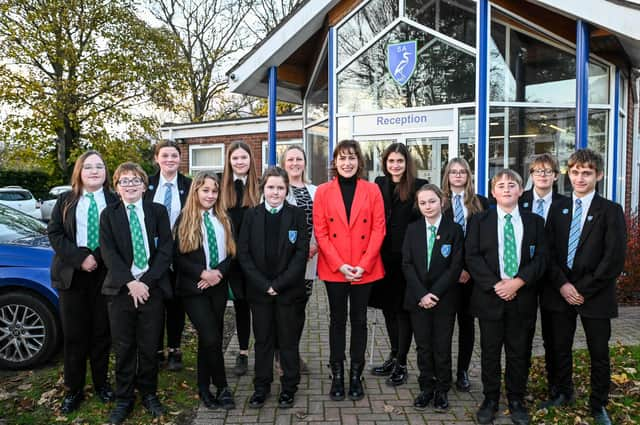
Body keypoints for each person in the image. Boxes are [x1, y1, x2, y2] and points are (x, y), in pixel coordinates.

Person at [541, 149, 626, 425]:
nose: (580, 177)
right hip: (560, 292)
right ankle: (563, 392)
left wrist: (583, 289)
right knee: (558, 347)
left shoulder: (611, 211)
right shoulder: (558, 207)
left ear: (598, 175)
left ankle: (598, 403)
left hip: (596, 295)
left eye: (586, 172)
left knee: (598, 352)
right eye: (575, 172)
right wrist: (564, 285)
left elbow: (613, 259)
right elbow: (548, 252)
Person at [465, 169, 547, 425]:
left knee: (518, 352)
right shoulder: (479, 221)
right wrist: (497, 285)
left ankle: (516, 399)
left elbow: (542, 258)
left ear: (521, 190)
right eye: (500, 185)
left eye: (512, 185)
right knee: (489, 352)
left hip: (522, 298)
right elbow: (472, 256)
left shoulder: (535, 222)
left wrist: (518, 282)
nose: (506, 189)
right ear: (493, 192)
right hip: (490, 297)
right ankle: (490, 398)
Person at [100, 162, 173, 424]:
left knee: (150, 345)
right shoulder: (109, 215)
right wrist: (131, 283)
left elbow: (166, 249)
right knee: (123, 346)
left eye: (135, 180)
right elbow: (109, 253)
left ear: (144, 185)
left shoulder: (157, 211)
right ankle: (124, 398)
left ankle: (149, 393)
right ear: (116, 187)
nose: (130, 185)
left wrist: (147, 281)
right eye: (124, 181)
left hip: (152, 288)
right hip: (121, 290)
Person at [313, 139, 386, 401]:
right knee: (336, 322)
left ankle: (356, 375)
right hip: (336, 269)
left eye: (352, 157)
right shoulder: (322, 192)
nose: (347, 163)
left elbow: (379, 229)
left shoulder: (372, 190)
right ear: (335, 163)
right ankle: (338, 375)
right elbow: (321, 232)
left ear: (359, 162)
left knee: (359, 322)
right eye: (342, 158)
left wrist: (363, 265)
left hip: (364, 268)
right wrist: (340, 265)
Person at [48, 150, 117, 413]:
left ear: (105, 172)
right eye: (88, 167)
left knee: (102, 333)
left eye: (99, 166)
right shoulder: (66, 200)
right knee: (75, 335)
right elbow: (54, 232)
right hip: (73, 275)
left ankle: (101, 384)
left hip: (104, 274)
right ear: (79, 171)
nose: (94, 171)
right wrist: (80, 258)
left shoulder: (114, 200)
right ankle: (73, 390)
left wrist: (97, 257)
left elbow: (119, 236)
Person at [237, 167, 309, 409]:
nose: (275, 192)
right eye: (271, 187)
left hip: (288, 291)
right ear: (263, 189)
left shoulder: (297, 215)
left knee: (288, 341)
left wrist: (278, 284)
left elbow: (301, 254)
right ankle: (262, 386)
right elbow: (244, 254)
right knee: (263, 340)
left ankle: (289, 387)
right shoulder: (251, 215)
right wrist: (264, 285)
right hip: (259, 292)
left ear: (286, 189)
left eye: (280, 187)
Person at [173, 172, 235, 410]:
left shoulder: (224, 218)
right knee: (209, 336)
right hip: (193, 289)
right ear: (195, 191)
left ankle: (203, 386)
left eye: (214, 191)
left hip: (217, 286)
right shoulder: (184, 220)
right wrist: (202, 273)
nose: (210, 195)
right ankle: (222, 386)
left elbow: (231, 253)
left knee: (211, 340)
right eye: (205, 190)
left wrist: (217, 274)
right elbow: (177, 258)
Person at [369, 143, 427, 386]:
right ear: (385, 163)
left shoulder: (419, 186)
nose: (395, 165)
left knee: (403, 312)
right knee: (388, 311)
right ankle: (393, 355)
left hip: (407, 261)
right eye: (391, 161)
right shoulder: (378, 185)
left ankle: (402, 362)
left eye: (399, 161)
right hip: (383, 259)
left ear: (407, 163)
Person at [402, 184, 464, 412]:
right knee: (423, 346)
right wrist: (422, 294)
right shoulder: (413, 229)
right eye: (423, 203)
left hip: (443, 299)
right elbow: (406, 264)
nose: (428, 206)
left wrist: (435, 294)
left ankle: (442, 389)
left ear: (442, 201)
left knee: (442, 345)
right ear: (418, 206)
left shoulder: (454, 230)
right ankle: (426, 387)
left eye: (432, 201)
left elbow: (455, 266)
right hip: (418, 299)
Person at [518, 153, 567, 399]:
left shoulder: (566, 204)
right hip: (525, 279)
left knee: (554, 338)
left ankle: (556, 387)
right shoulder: (520, 200)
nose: (543, 175)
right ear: (531, 175)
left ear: (556, 176)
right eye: (538, 171)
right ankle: (521, 386)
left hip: (553, 281)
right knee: (523, 336)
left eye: (548, 171)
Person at [441, 157, 490, 392]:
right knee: (445, 325)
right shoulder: (438, 203)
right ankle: (443, 372)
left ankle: (462, 371)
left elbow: (484, 242)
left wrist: (469, 270)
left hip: (472, 277)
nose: (458, 176)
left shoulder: (481, 203)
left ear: (468, 176)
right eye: (453, 172)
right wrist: (455, 269)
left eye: (462, 172)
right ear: (447, 176)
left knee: (467, 325)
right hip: (447, 276)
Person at [145, 140, 192, 371]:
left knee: (176, 303)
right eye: (165, 155)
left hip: (180, 254)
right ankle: (154, 349)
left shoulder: (189, 185)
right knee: (155, 303)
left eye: (174, 155)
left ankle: (174, 349)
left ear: (180, 158)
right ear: (157, 158)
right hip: (151, 255)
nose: (170, 159)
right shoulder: (147, 185)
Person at [220, 141, 260, 377]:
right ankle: (243, 352)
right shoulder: (222, 188)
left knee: (261, 307)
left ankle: (269, 352)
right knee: (241, 306)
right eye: (235, 158)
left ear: (250, 160)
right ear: (229, 161)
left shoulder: (260, 187)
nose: (239, 162)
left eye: (243, 157)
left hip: (256, 259)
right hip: (233, 259)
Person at [281, 145, 318, 374]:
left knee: (300, 308)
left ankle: (292, 352)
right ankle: (282, 355)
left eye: (299, 159)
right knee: (285, 309)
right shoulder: (279, 188)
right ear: (284, 164)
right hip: (285, 261)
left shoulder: (315, 191)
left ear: (305, 163)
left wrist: (316, 246)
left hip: (310, 258)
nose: (295, 163)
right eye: (290, 159)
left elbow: (322, 222)